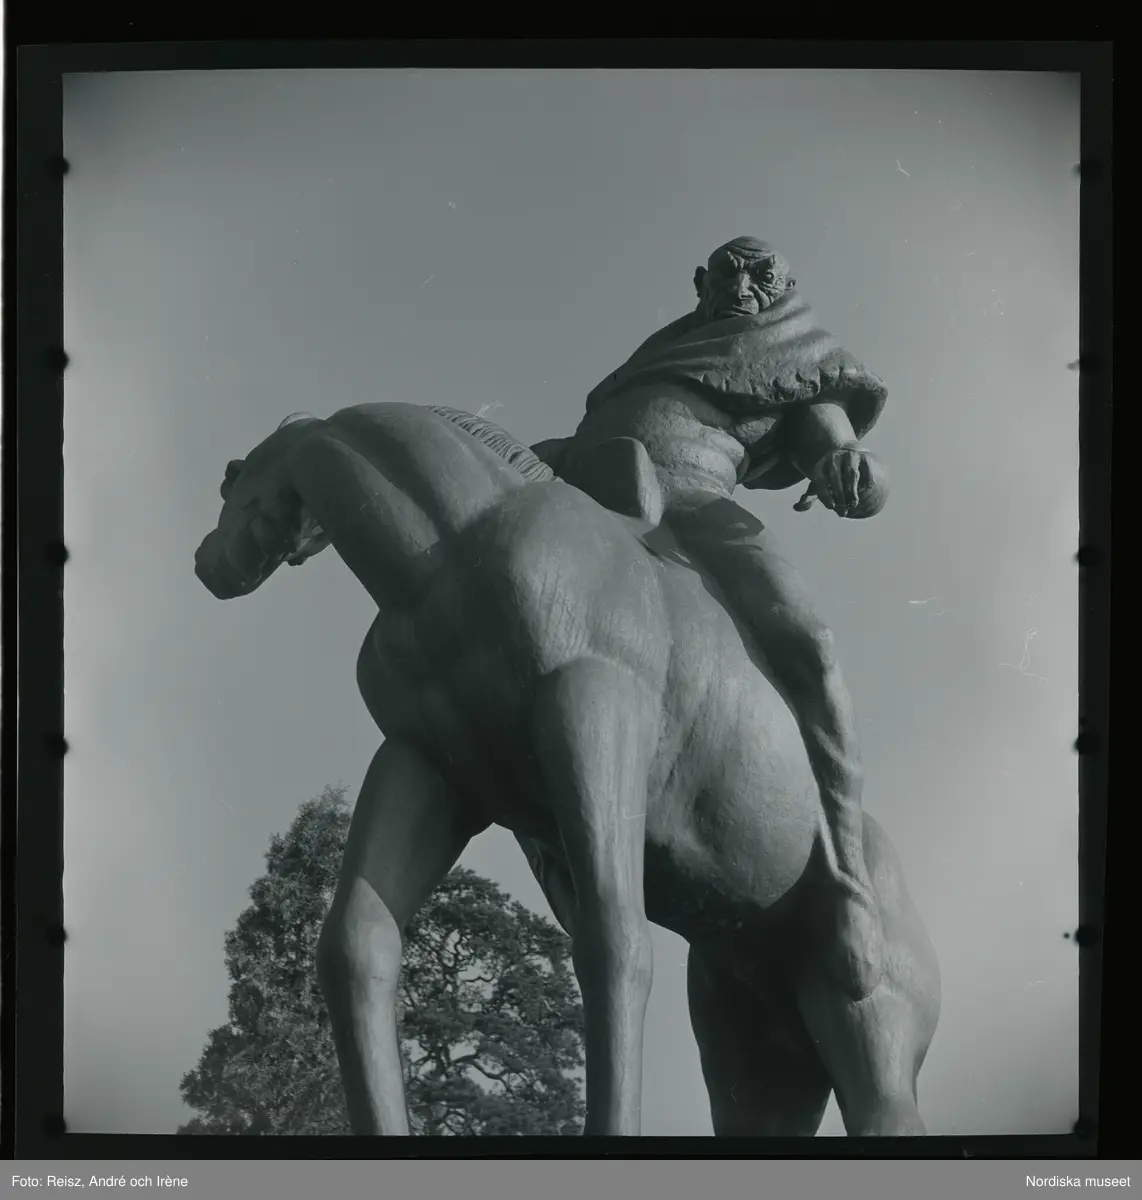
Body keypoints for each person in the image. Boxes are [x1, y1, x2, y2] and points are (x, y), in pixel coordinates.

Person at [533, 236, 892, 999]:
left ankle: (847, 875)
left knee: (810, 642)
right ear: (700, 282)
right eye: (729, 271)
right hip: (594, 500)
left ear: (784, 288)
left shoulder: (797, 358)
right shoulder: (646, 364)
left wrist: (854, 470)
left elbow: (842, 450)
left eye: (763, 274)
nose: (744, 285)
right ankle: (548, 840)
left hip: (696, 507)